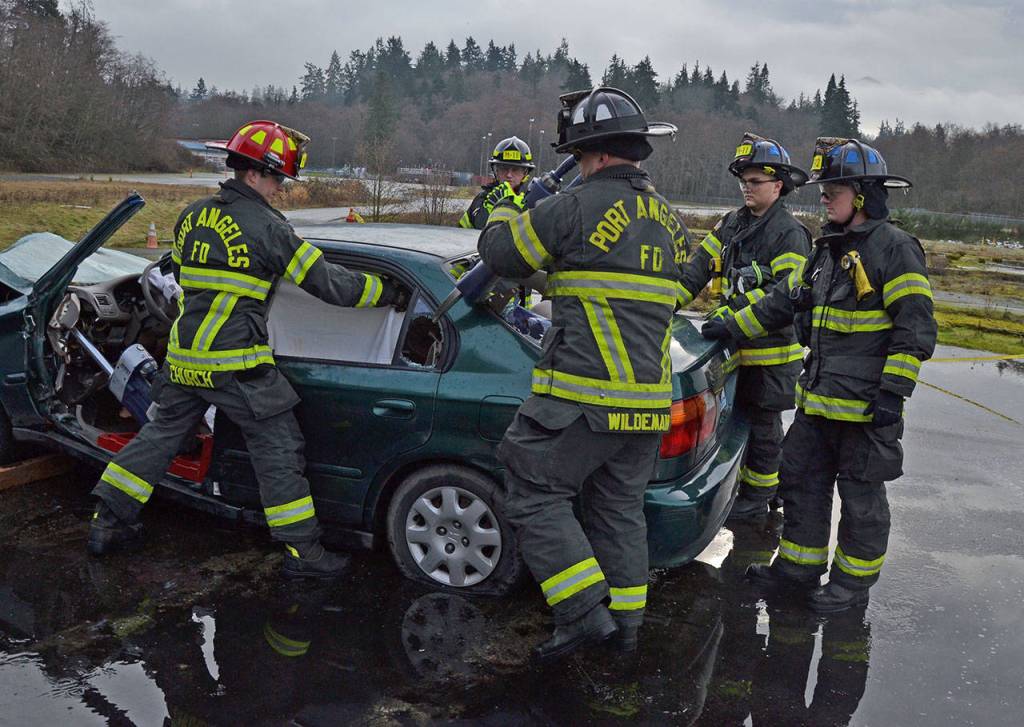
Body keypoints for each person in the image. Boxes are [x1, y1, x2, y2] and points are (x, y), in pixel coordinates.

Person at [87, 120, 405, 578]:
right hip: (237, 364)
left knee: (159, 437)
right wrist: (386, 293)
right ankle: (304, 553)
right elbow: (331, 284)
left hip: (183, 360)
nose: (281, 189)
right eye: (278, 179)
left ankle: (106, 521)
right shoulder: (270, 229)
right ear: (255, 173)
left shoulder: (193, 215)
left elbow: (176, 269)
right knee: (279, 447)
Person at [478, 87, 685, 658]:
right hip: (646, 404)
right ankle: (626, 629)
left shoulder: (571, 207)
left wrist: (505, 197)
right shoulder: (669, 220)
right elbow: (601, 286)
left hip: (581, 399)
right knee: (618, 510)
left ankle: (581, 613)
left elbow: (499, 254)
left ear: (587, 153)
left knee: (531, 489)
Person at [702, 137, 937, 612]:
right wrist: (728, 325)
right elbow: (782, 303)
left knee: (861, 502)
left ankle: (850, 587)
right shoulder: (828, 250)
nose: (824, 197)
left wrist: (893, 392)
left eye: (834, 190)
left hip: (866, 411)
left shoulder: (895, 250)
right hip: (817, 404)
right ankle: (797, 570)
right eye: (824, 189)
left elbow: (915, 328)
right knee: (801, 486)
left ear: (864, 195)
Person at [677, 133, 811, 519]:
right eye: (743, 182)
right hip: (733, 348)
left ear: (778, 186)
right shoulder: (731, 224)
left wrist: (731, 317)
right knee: (736, 423)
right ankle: (755, 486)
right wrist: (665, 303)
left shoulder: (788, 233)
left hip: (770, 355)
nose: (746, 189)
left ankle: (759, 498)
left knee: (764, 426)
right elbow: (695, 270)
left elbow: (784, 295)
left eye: (755, 182)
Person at [458, 136, 535, 230]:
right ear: (496, 171)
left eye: (515, 169)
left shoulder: (532, 201)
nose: (509, 175)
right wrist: (488, 209)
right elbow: (468, 234)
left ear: (525, 173)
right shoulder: (482, 199)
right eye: (504, 168)